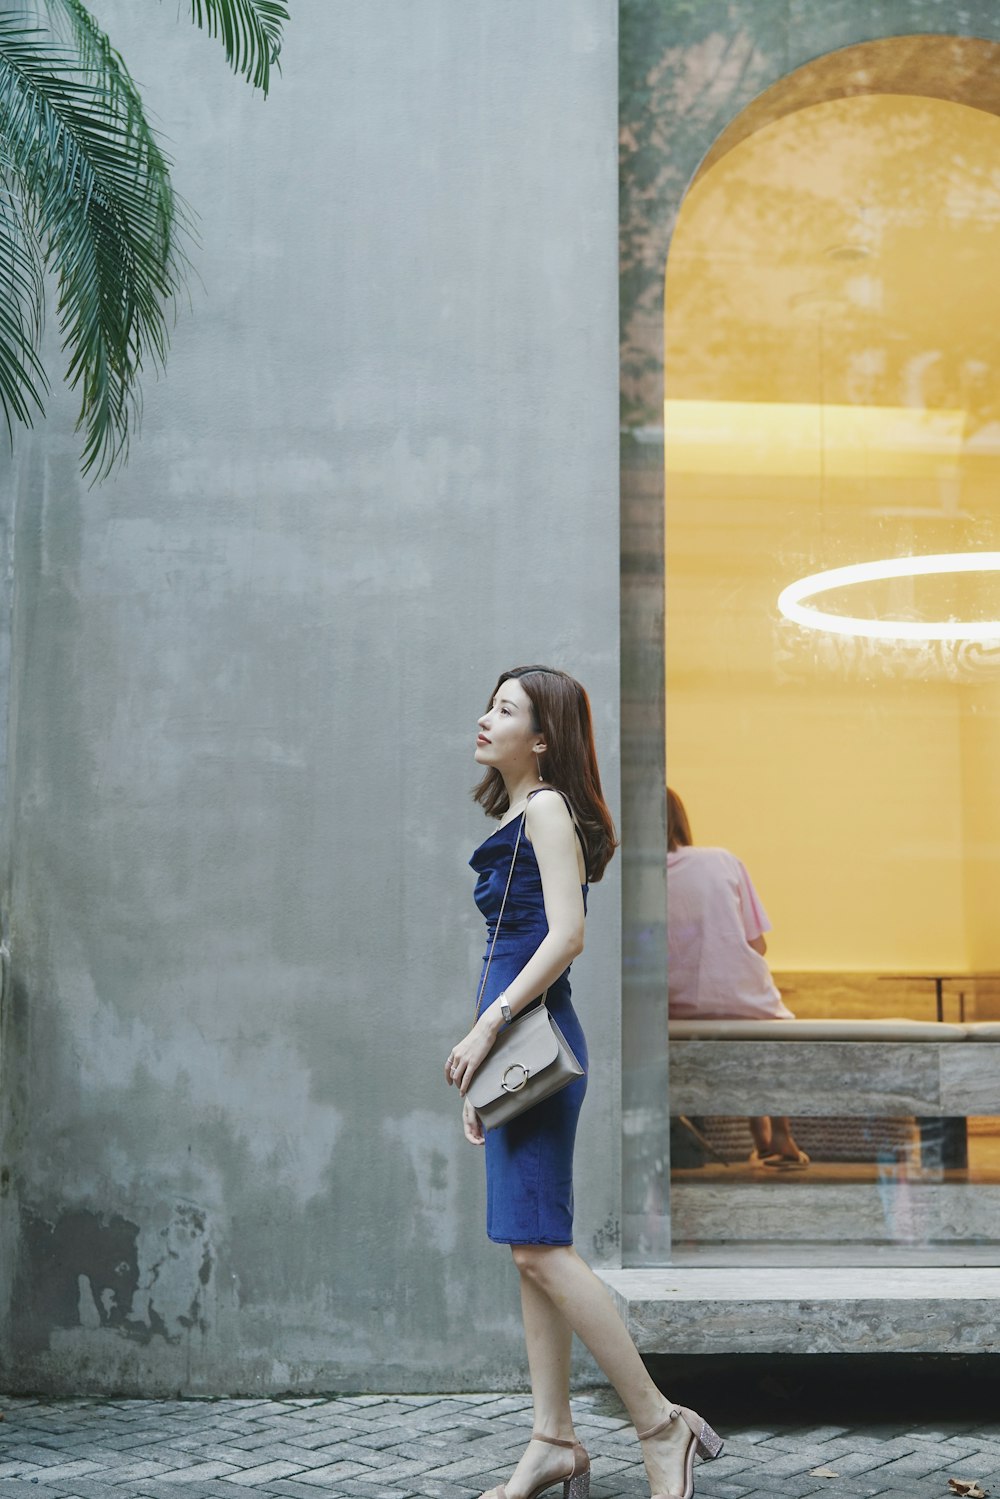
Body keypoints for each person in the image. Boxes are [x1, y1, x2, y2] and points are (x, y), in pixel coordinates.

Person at [446, 668, 723, 1499]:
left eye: (505, 709)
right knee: (529, 1250)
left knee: (542, 1248)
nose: (485, 717)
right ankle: (552, 1439)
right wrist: (485, 1072)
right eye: (489, 703)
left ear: (543, 738)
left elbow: (567, 935)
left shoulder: (547, 809)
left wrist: (489, 1028)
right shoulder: (519, 809)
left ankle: (660, 1423)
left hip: (533, 1041)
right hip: (517, 1050)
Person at [666, 787, 808, 1170]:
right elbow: (758, 945)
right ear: (681, 820)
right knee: (763, 1028)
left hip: (672, 1010)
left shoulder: (634, 877)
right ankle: (777, 1134)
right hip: (745, 1005)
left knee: (729, 1014)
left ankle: (762, 1135)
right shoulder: (722, 861)